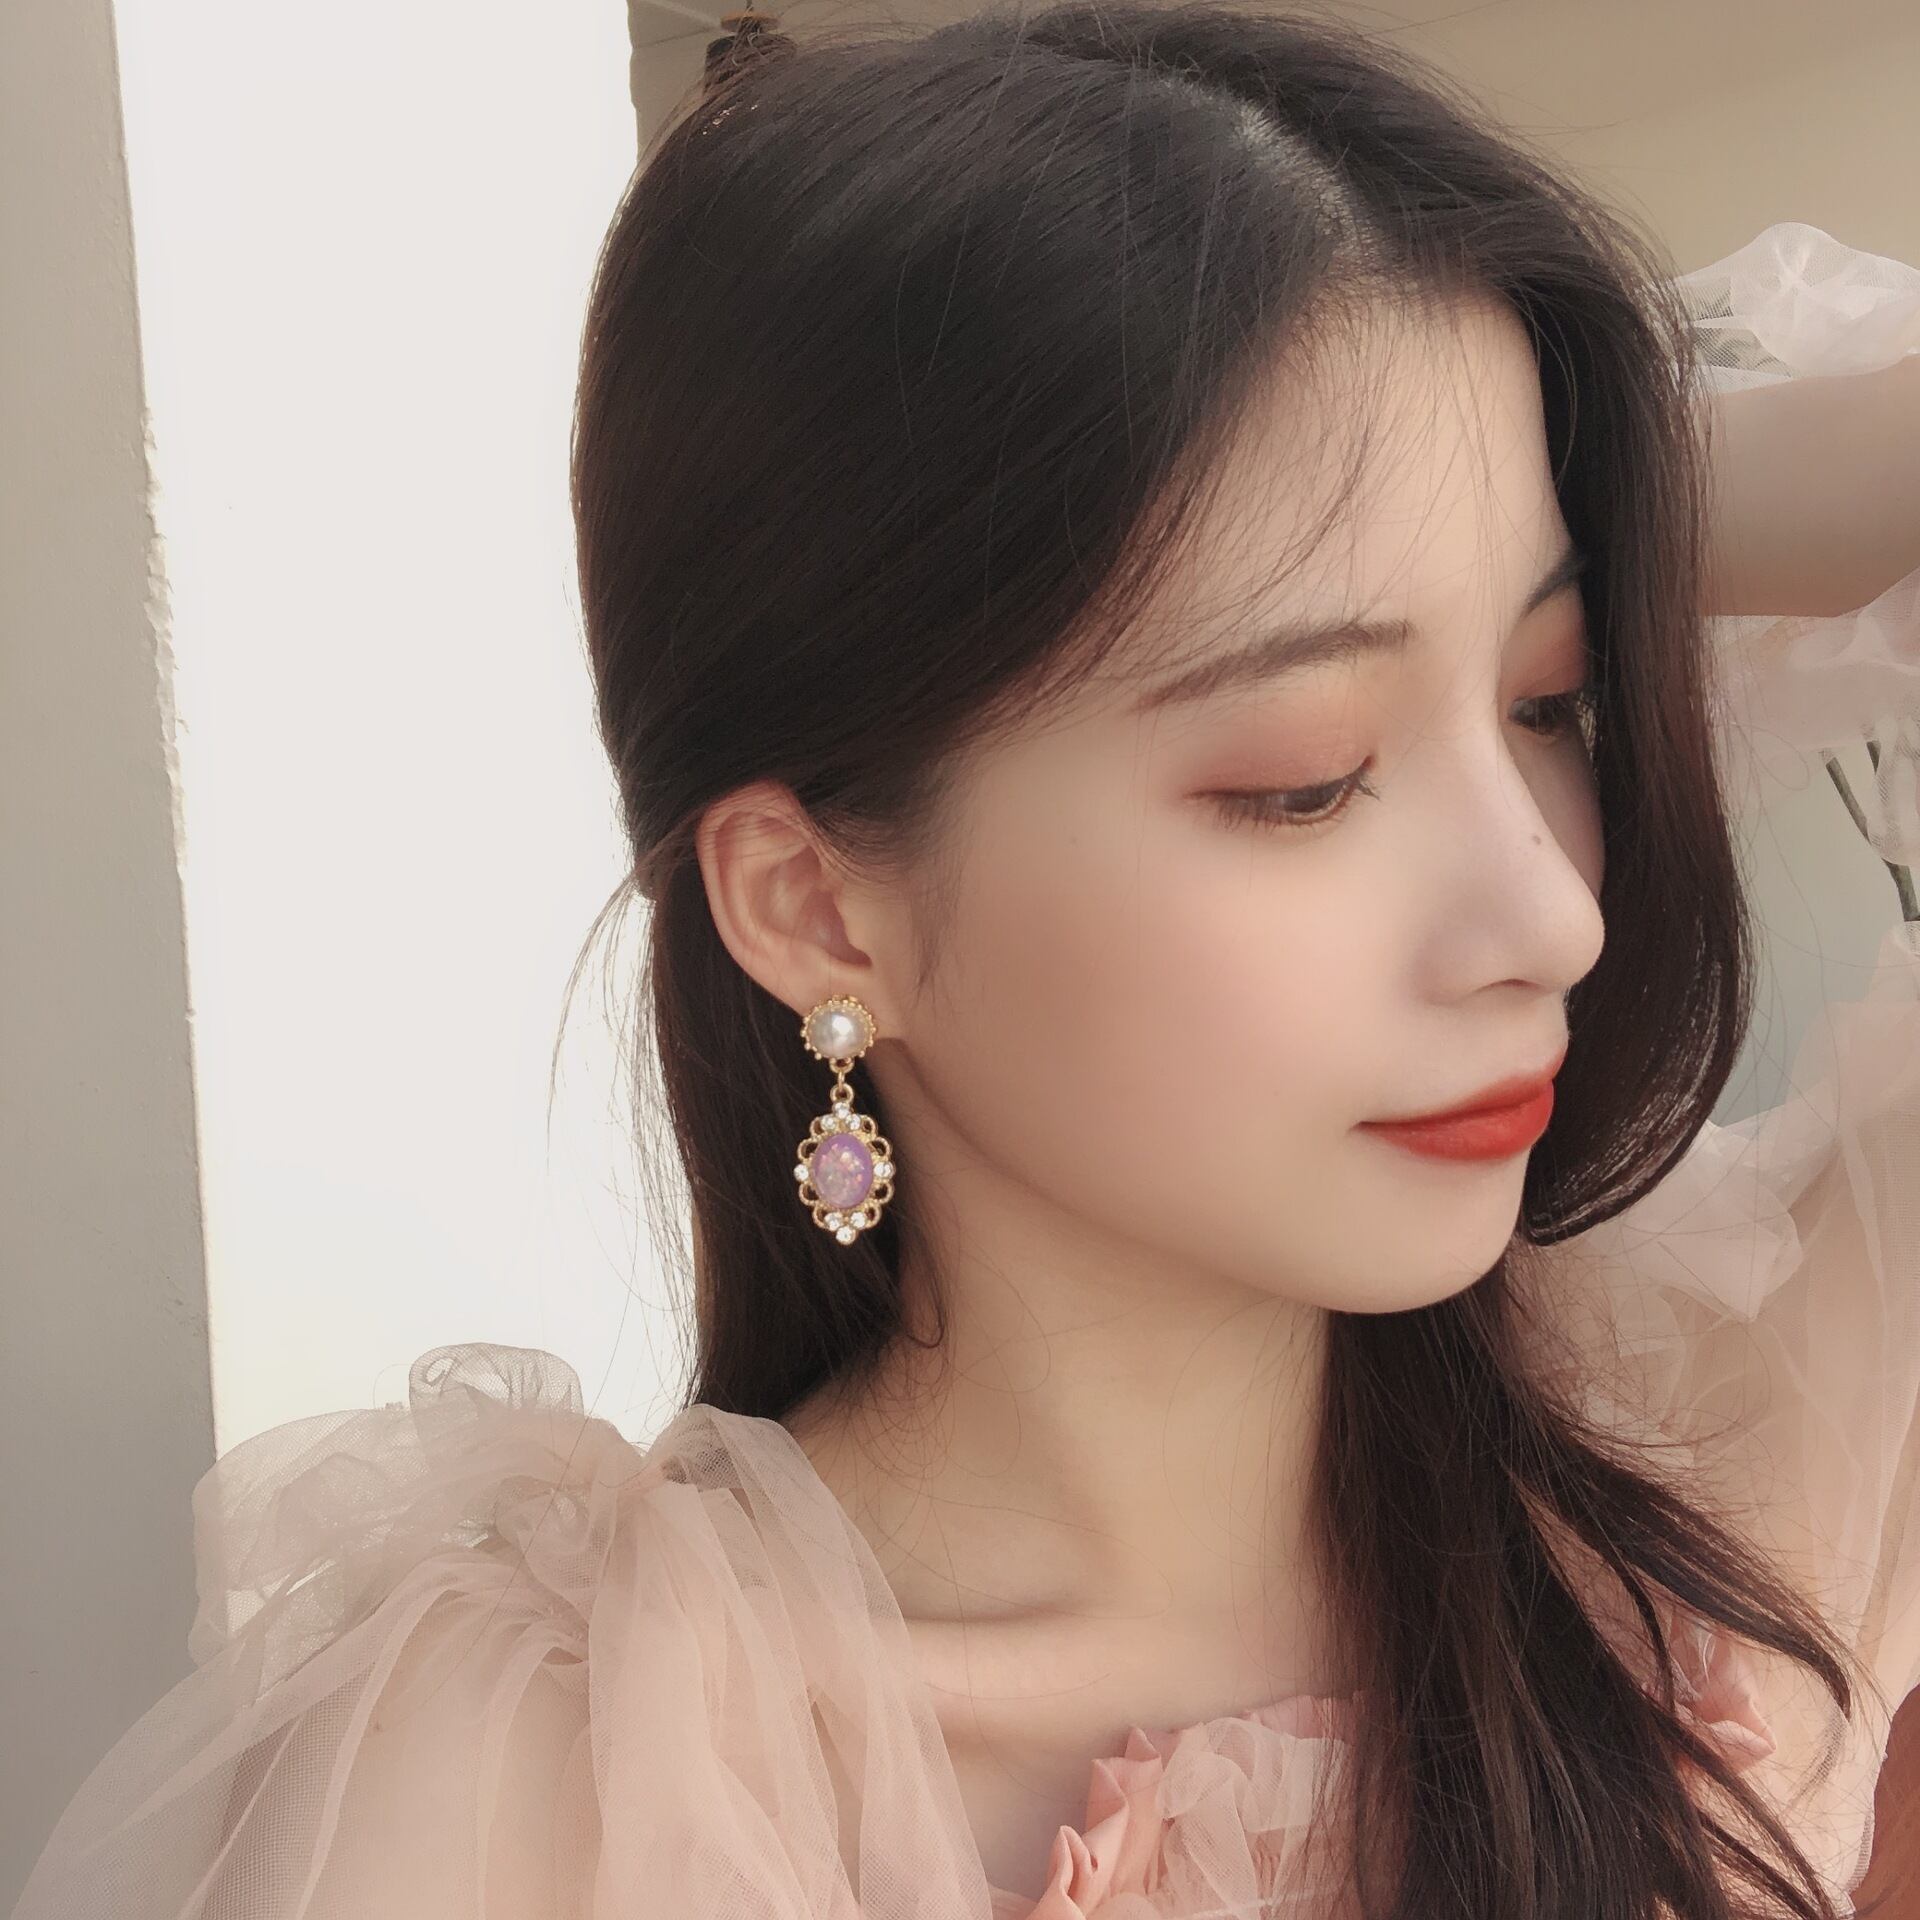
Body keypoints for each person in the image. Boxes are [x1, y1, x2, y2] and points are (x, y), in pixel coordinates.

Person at [13, 4, 1920, 1916]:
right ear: (819, 909)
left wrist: (1621, 497)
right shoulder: (554, 1792)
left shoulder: (1719, 1472)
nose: (1554, 913)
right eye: (1306, 780)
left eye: (1550, 702)